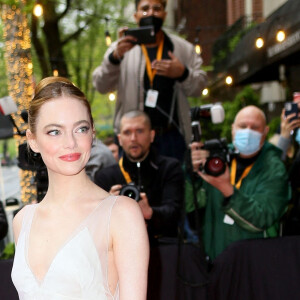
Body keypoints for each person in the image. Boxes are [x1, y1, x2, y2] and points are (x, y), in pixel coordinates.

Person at [11, 77, 149, 299]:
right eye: (55, 131)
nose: (71, 143)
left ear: (92, 132)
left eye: (81, 129)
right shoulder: (22, 221)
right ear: (33, 140)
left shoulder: (121, 214)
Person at [92, 0, 207, 162]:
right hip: (134, 138)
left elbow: (200, 86)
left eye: (157, 8)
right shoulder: (122, 47)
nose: (151, 13)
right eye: (145, 9)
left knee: (173, 185)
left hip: (171, 136)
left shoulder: (183, 49)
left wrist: (182, 73)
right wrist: (114, 58)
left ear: (165, 14)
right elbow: (100, 85)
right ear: (136, 15)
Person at [190, 105, 290, 260]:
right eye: (243, 126)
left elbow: (262, 218)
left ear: (265, 132)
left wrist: (227, 191)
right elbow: (191, 205)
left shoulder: (274, 169)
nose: (248, 132)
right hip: (217, 260)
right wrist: (191, 172)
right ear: (233, 129)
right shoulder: (216, 160)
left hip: (257, 263)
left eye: (255, 127)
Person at [94, 110, 184, 245]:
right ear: (119, 139)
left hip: (163, 247)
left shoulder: (170, 168)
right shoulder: (105, 176)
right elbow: (96, 226)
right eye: (127, 132)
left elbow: (175, 214)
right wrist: (107, 206)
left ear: (152, 135)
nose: (133, 138)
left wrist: (150, 212)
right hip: (120, 249)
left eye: (140, 131)